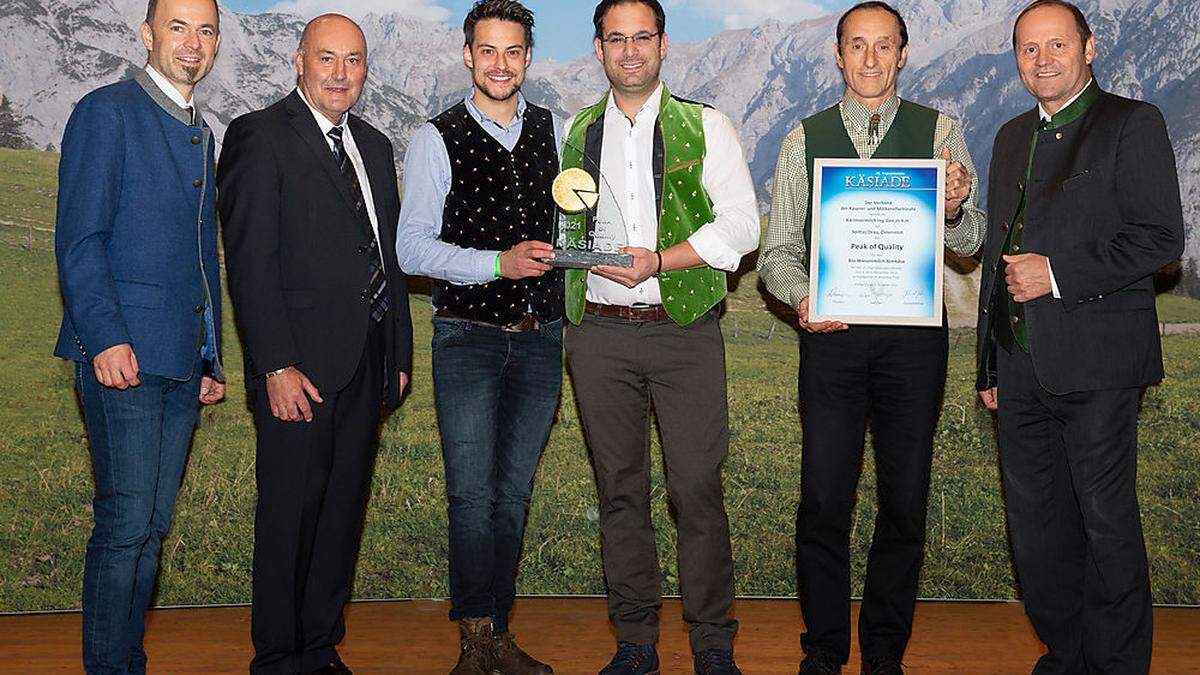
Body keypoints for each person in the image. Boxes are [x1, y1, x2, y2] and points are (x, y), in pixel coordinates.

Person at [757, 2, 985, 673]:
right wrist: (802, 296)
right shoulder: (805, 139)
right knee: (824, 498)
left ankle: (885, 651)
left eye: (884, 46)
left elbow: (971, 242)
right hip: (832, 337)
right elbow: (777, 253)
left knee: (905, 499)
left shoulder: (943, 131)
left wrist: (954, 207)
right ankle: (823, 649)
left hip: (915, 344)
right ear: (838, 53)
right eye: (857, 45)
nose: (870, 59)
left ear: (904, 54)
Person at [975, 1, 1184, 672]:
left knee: (1105, 528)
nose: (1042, 60)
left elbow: (1160, 240)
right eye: (1028, 49)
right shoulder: (1008, 136)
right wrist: (988, 366)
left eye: (1056, 45)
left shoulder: (1133, 123)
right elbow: (998, 259)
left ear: (1089, 48)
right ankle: (1067, 656)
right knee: (1037, 537)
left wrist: (1058, 273)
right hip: (1020, 369)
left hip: (1099, 366)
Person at [561, 1, 759, 673]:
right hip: (599, 335)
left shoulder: (705, 125)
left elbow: (742, 228)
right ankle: (635, 641)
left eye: (642, 36)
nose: (630, 50)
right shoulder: (576, 131)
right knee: (620, 489)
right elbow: (569, 229)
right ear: (598, 50)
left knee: (697, 486)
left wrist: (660, 259)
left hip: (684, 329)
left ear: (664, 44)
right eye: (615, 38)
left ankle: (710, 643)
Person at [217, 13, 413, 675]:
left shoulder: (377, 147)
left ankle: (319, 645)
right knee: (289, 515)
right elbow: (251, 262)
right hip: (296, 367)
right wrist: (274, 362)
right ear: (299, 61)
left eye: (353, 61)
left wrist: (401, 356)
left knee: (340, 515)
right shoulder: (259, 136)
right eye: (327, 59)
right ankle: (276, 655)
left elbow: (385, 256)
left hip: (367, 363)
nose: (340, 74)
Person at [53, 0, 225, 671]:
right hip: (121, 355)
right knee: (125, 527)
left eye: (206, 30)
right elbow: (81, 241)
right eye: (177, 26)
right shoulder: (107, 111)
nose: (192, 42)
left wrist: (211, 353)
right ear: (148, 34)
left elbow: (201, 254)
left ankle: (127, 660)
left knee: (151, 531)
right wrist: (107, 338)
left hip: (182, 361)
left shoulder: (200, 131)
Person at [395, 1, 560, 673]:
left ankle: (499, 631)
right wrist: (497, 263)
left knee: (513, 492)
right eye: (487, 50)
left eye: (512, 51)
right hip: (467, 335)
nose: (500, 63)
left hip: (542, 336)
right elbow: (411, 249)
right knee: (471, 493)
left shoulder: (557, 130)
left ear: (528, 57)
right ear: (468, 55)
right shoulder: (436, 137)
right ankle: (475, 640)